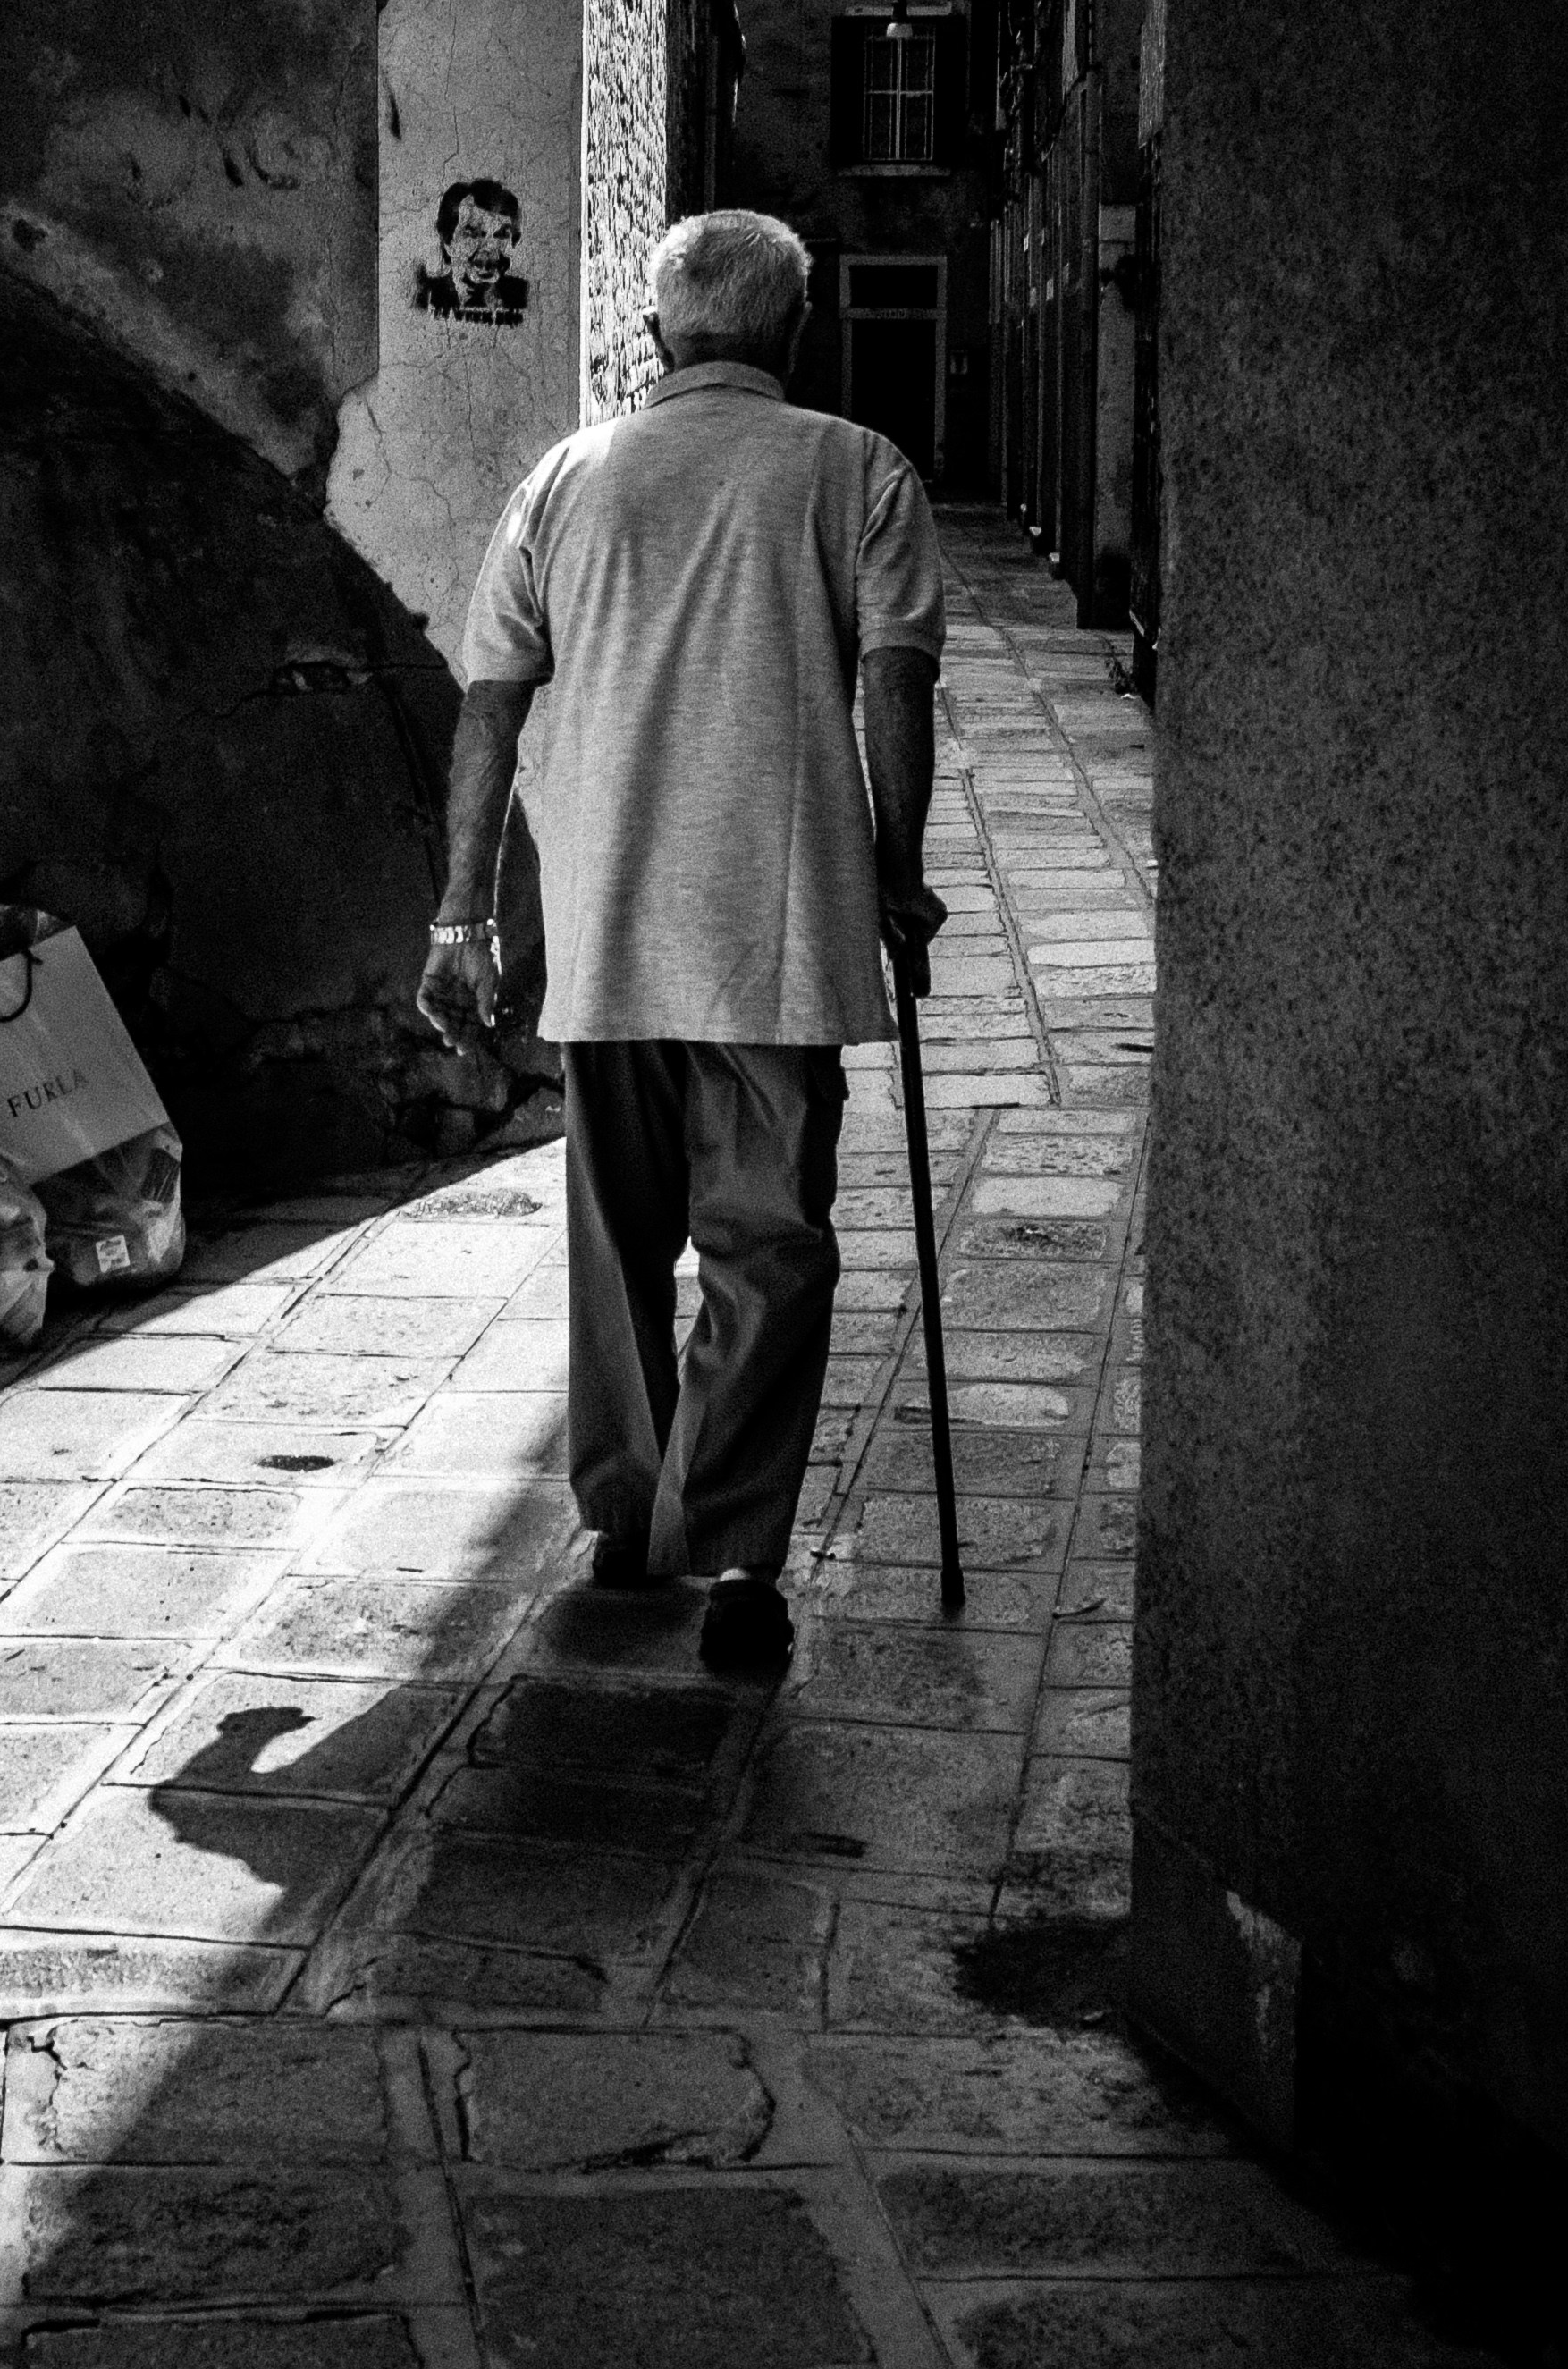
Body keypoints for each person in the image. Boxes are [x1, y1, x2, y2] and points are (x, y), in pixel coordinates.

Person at [414, 209, 947, 1673]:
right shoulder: (859, 472)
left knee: (618, 1236)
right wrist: (896, 873)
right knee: (772, 1250)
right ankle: (737, 1553)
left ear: (656, 336)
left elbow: (490, 699)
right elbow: (895, 689)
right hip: (783, 940)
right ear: (796, 328)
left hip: (604, 929)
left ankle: (633, 1516)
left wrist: (465, 912)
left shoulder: (564, 480)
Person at [413, 179, 530, 325]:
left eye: (501, 234)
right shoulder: (426, 295)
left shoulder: (523, 295)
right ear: (448, 241)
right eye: (474, 234)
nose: (490, 247)